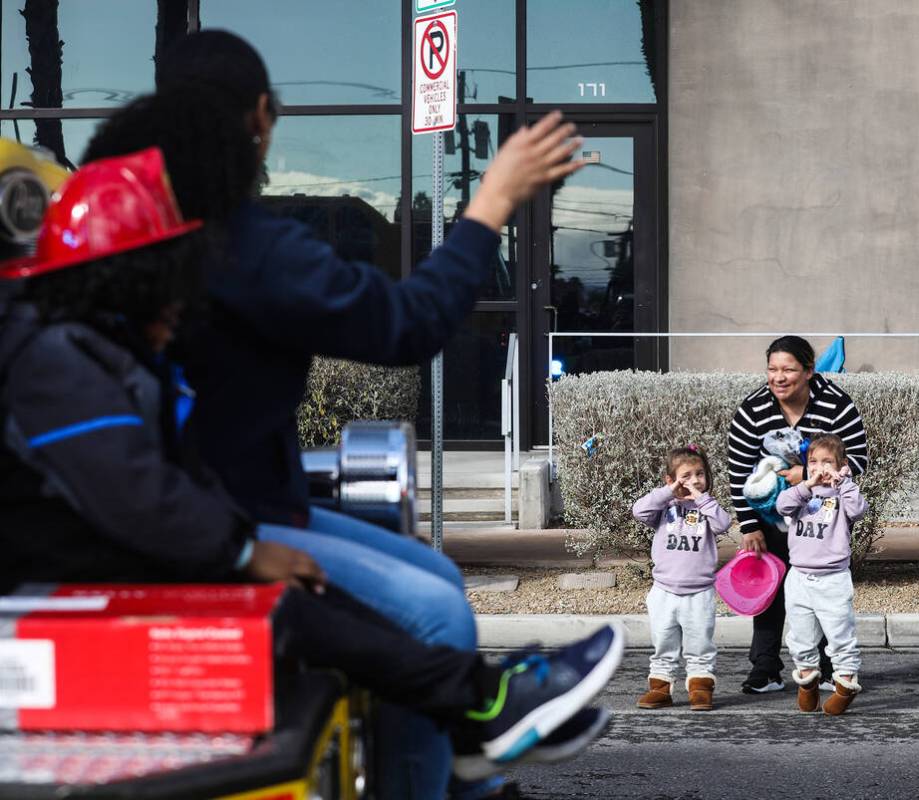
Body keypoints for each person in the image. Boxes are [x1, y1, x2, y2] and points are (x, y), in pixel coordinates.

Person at [0, 148, 622, 791]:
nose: (182, 302)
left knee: (314, 607)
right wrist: (244, 550)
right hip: (76, 580)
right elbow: (137, 493)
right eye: (169, 276)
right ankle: (484, 709)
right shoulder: (57, 361)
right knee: (302, 612)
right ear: (124, 276)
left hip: (102, 563)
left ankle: (477, 720)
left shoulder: (87, 348)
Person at [727, 335, 868, 694]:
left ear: (808, 371)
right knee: (771, 591)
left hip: (821, 518)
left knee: (822, 595)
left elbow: (859, 461)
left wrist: (807, 477)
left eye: (788, 369)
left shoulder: (837, 405)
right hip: (772, 516)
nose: (779, 377)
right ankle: (766, 667)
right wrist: (748, 525)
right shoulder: (753, 409)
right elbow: (738, 469)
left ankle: (824, 666)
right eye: (772, 369)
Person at [631, 445, 732, 711]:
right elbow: (639, 511)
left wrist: (703, 499)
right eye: (686, 475)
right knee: (664, 640)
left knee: (700, 641)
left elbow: (723, 524)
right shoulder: (664, 508)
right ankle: (661, 688)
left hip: (699, 591)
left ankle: (700, 687)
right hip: (664, 590)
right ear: (671, 480)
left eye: (700, 474)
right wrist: (667, 493)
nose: (695, 480)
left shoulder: (707, 508)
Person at [775, 434, 867, 715]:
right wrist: (807, 484)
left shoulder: (843, 495)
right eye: (813, 462)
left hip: (833, 580)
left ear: (842, 465)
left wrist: (844, 481)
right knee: (800, 637)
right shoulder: (803, 493)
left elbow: (859, 509)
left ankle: (846, 683)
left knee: (840, 636)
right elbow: (782, 506)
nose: (820, 468)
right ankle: (807, 681)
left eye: (827, 462)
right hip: (799, 577)